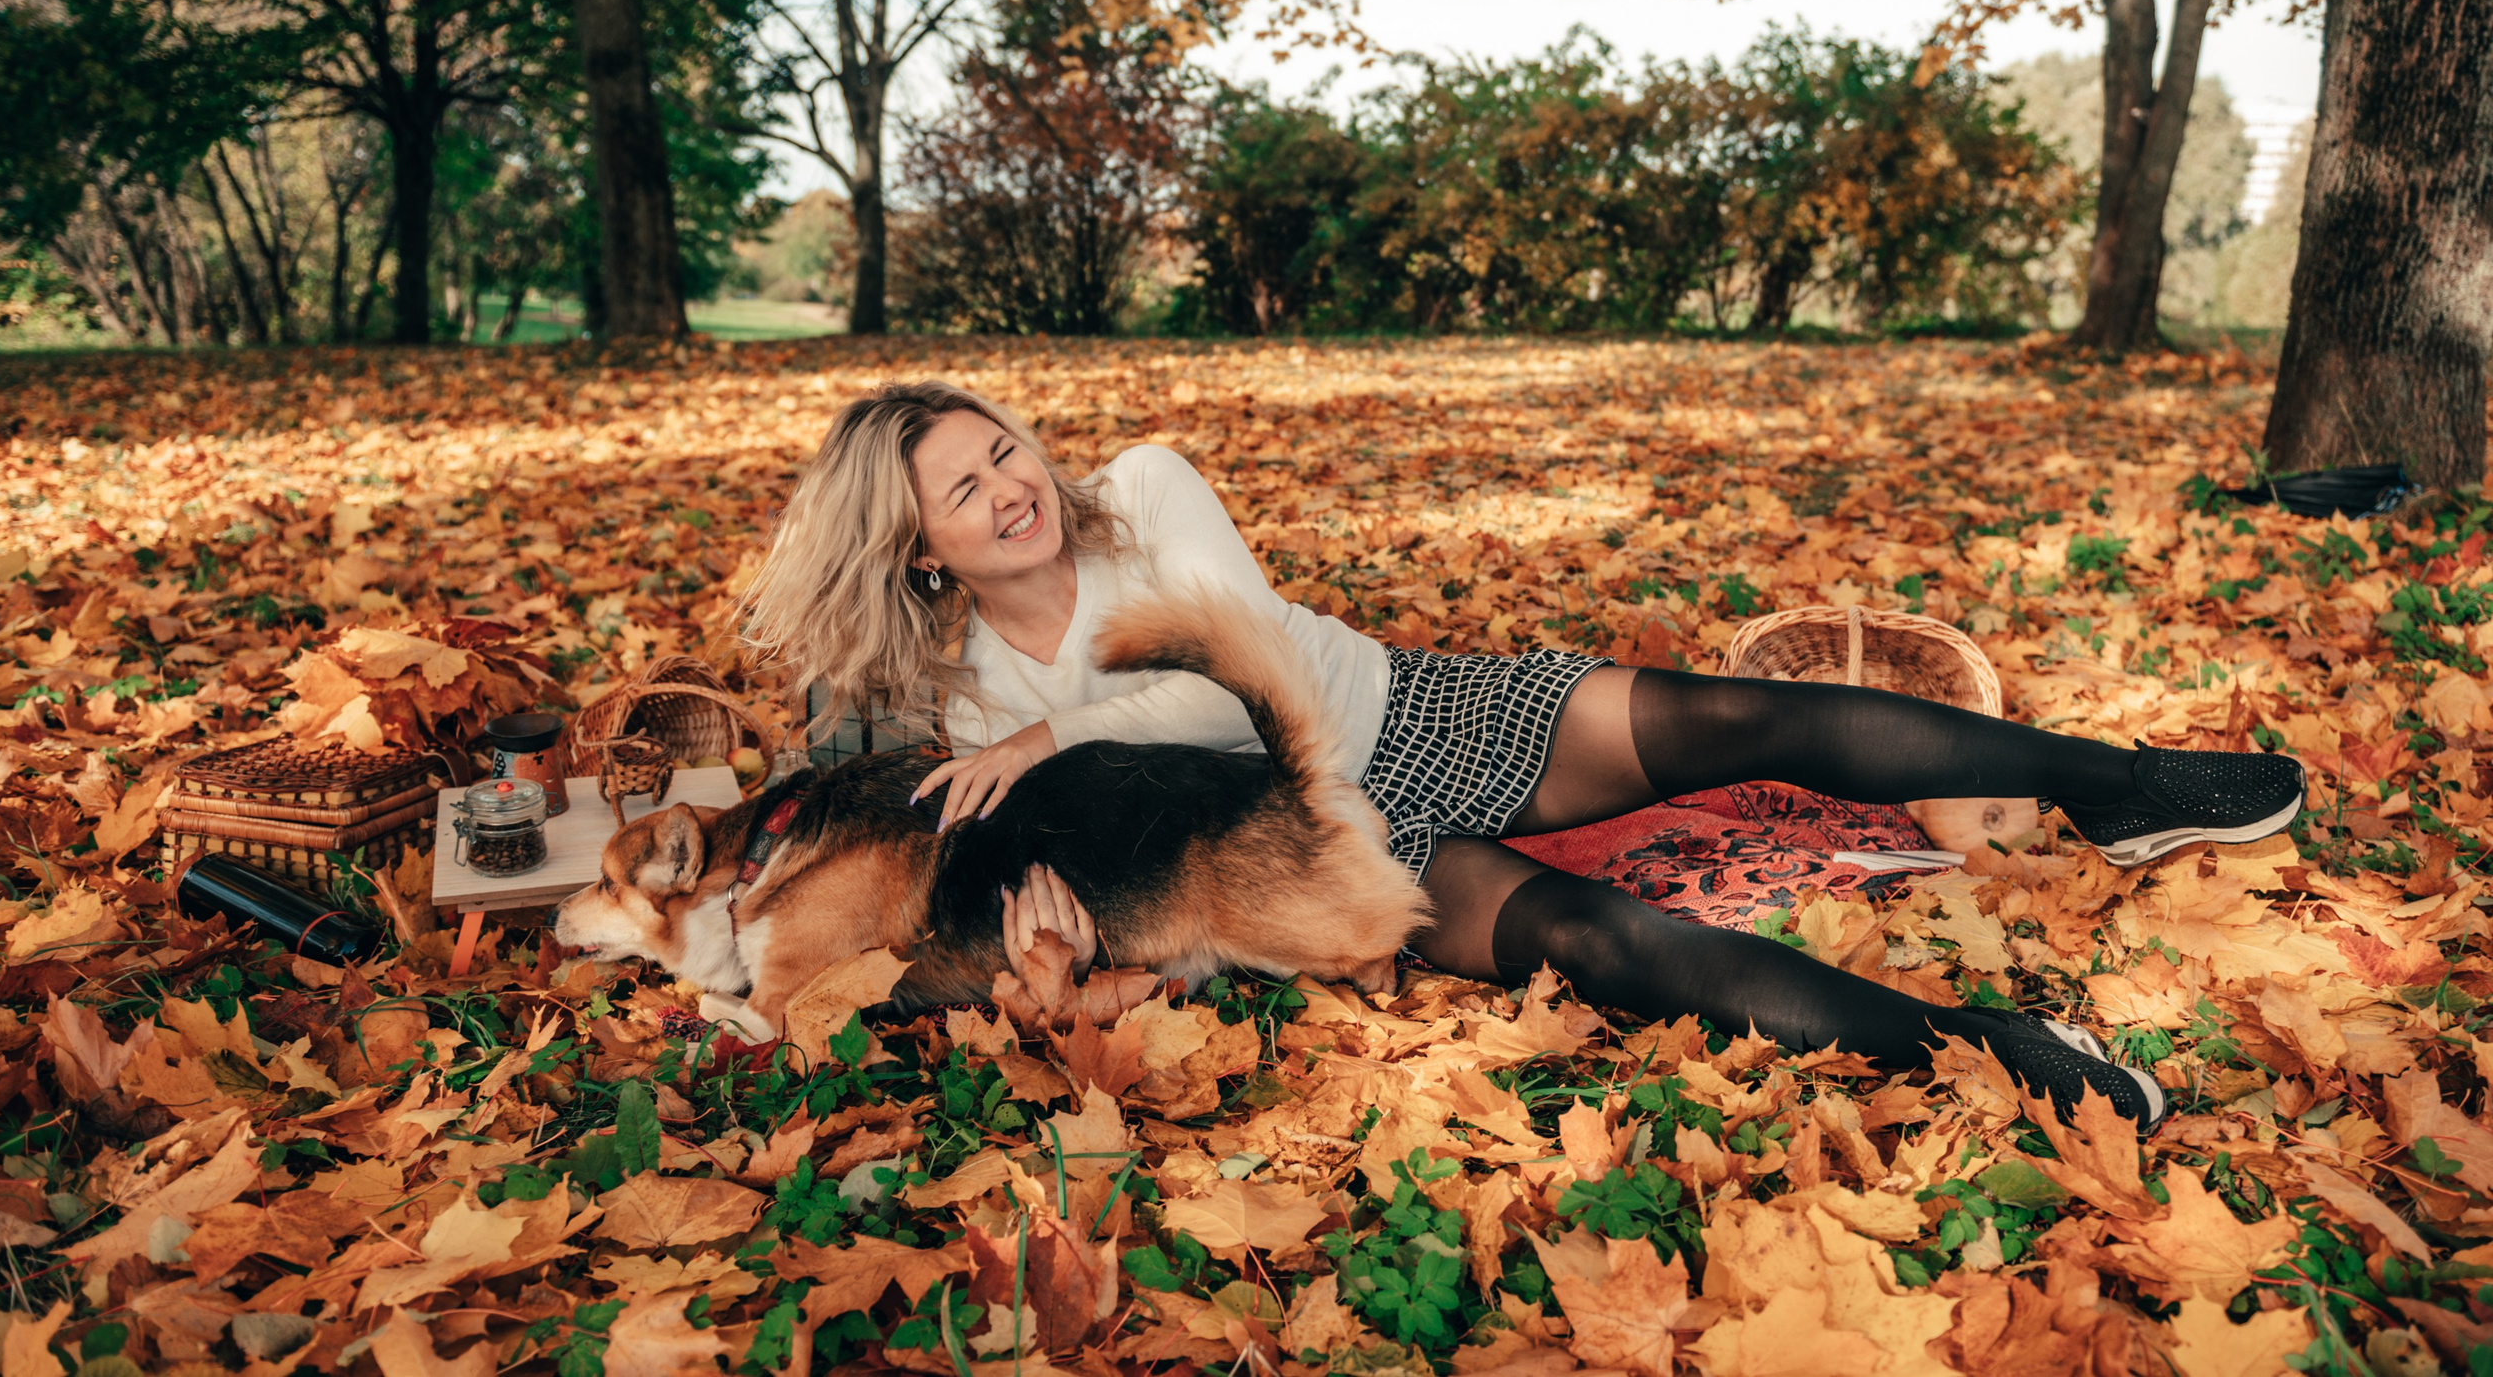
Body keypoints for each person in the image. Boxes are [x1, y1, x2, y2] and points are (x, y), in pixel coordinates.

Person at [741, 381, 2307, 1129]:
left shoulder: (1143, 487)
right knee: (1595, 940)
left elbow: (1245, 675)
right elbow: (1066, 834)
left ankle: (2122, 787)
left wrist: (1055, 728)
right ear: (924, 552)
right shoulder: (954, 709)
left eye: (1001, 445)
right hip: (1303, 840)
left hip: (1401, 709)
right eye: (961, 489)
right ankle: (1988, 1042)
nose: (1010, 485)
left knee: (1730, 720)